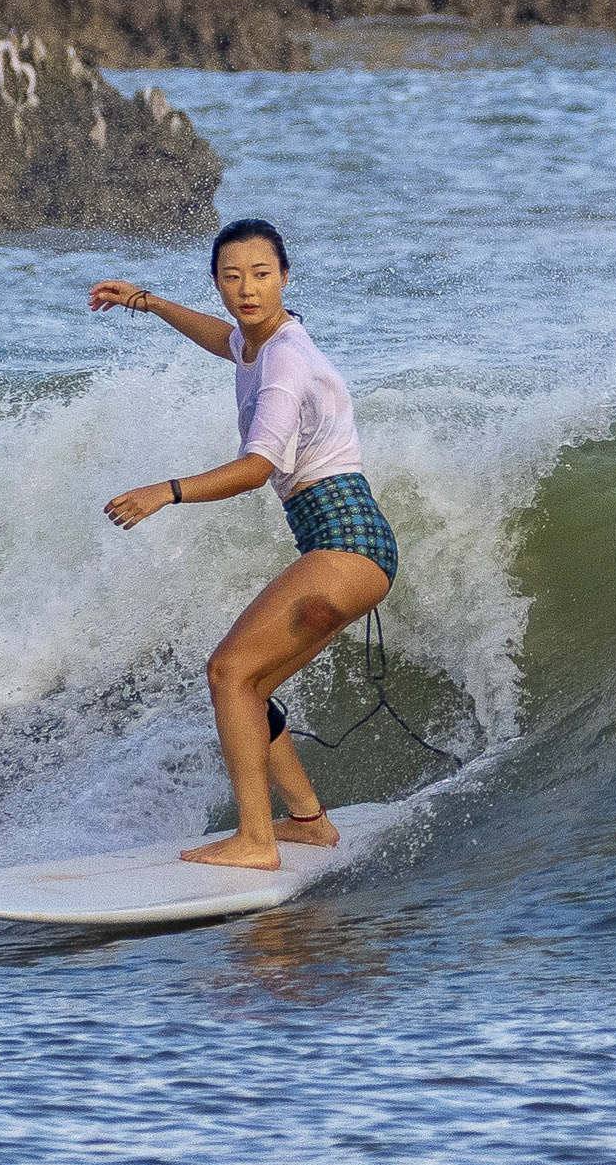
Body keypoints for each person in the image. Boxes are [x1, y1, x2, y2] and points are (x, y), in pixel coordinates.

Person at [87, 219, 399, 871]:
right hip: (348, 545)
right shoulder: (261, 341)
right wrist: (148, 302)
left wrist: (164, 492)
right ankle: (308, 822)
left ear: (285, 276)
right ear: (218, 283)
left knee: (228, 673)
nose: (246, 289)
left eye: (261, 274)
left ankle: (257, 841)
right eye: (232, 277)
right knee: (249, 687)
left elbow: (257, 467)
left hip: (345, 541)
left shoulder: (285, 360)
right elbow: (226, 340)